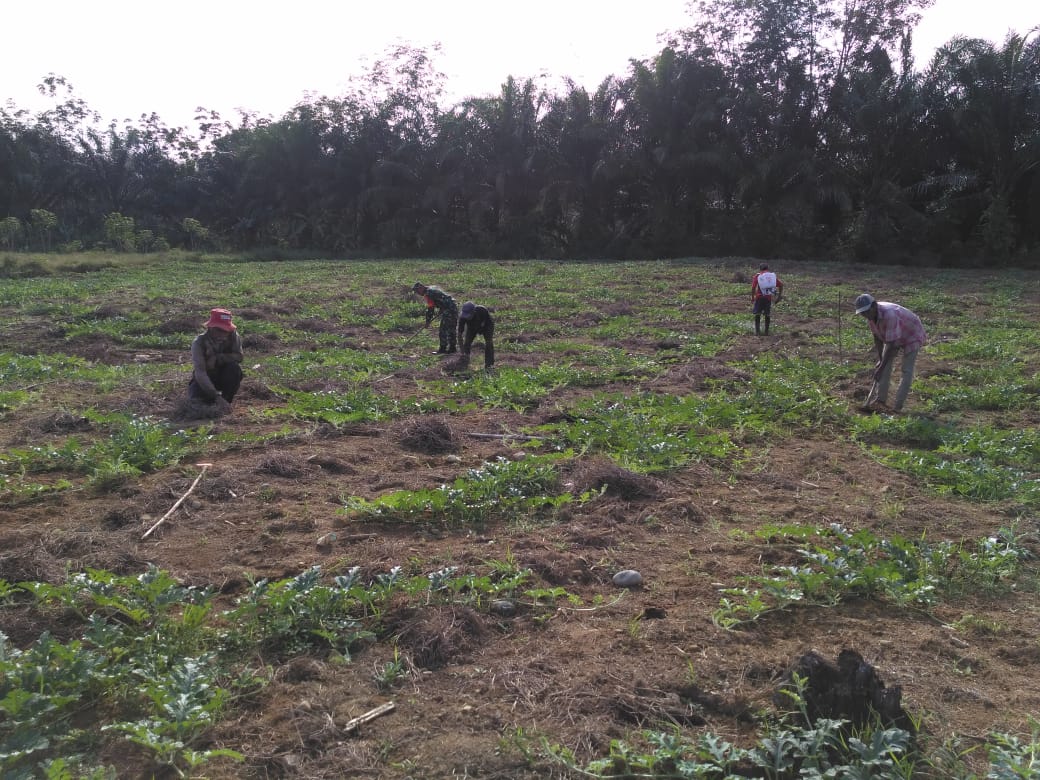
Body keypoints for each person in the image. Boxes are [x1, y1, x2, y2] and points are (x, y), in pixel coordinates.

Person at [854, 293, 926, 412]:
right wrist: (881, 360)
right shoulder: (871, 317)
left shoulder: (889, 315)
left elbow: (891, 345)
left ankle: (897, 407)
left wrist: (881, 368)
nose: (865, 315)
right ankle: (880, 400)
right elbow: (877, 337)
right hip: (894, 334)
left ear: (874, 306)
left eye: (866, 311)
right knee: (884, 365)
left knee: (906, 370)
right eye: (862, 313)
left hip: (911, 333)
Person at [188, 308, 243, 404]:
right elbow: (200, 372)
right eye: (219, 330)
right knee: (195, 403)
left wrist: (218, 358)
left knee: (234, 368)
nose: (223, 335)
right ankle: (213, 398)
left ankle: (226, 400)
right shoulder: (199, 343)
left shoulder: (233, 336)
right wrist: (216, 396)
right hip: (206, 377)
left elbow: (239, 357)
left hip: (224, 375)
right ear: (210, 328)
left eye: (225, 331)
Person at [412, 282, 458, 354]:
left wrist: (428, 321)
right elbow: (441, 298)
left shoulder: (428, 294)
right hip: (453, 307)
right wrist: (441, 308)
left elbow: (431, 308)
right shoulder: (432, 288)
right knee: (451, 328)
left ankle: (443, 349)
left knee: (443, 330)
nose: (418, 293)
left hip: (448, 309)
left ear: (421, 288)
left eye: (417, 291)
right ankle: (452, 348)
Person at [457, 301, 495, 369]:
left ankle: (489, 364)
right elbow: (459, 335)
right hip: (472, 327)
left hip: (487, 325)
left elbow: (487, 323)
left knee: (489, 343)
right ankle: (465, 361)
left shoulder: (482, 310)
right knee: (467, 343)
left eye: (468, 315)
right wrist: (462, 352)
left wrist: (482, 328)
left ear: (473, 312)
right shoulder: (462, 318)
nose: (467, 318)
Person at [751, 262, 784, 335]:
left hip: (759, 297)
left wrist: (753, 297)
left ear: (760, 269)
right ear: (768, 268)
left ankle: (757, 332)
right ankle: (766, 332)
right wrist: (779, 297)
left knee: (757, 314)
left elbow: (753, 287)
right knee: (767, 314)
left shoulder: (758, 276)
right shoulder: (772, 277)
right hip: (768, 298)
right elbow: (781, 285)